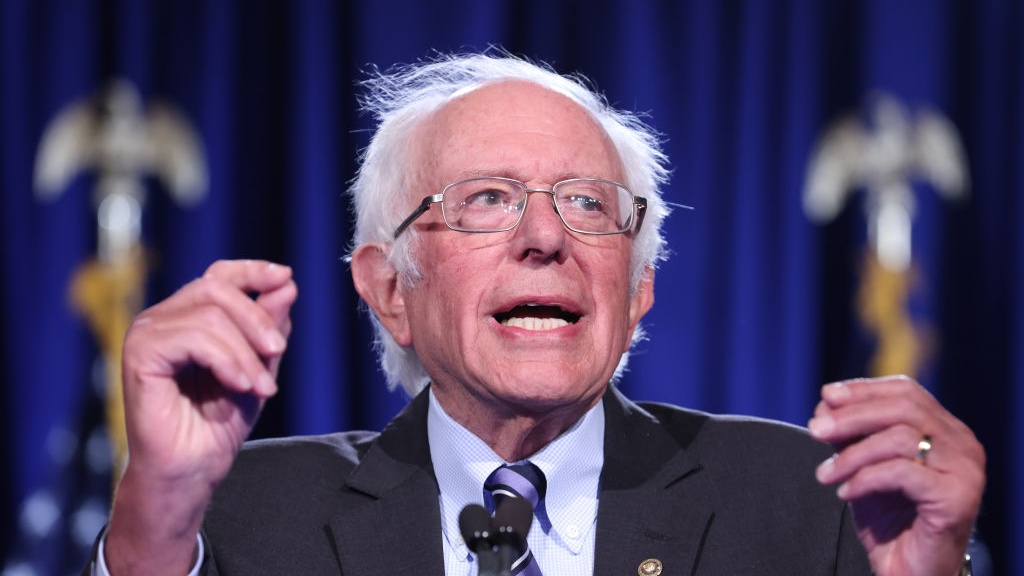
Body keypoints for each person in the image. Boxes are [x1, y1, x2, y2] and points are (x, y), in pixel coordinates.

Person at [86, 51, 985, 576]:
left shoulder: (803, 503)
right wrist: (158, 518)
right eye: (486, 198)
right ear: (390, 289)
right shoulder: (237, 521)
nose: (546, 237)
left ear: (637, 292)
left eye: (590, 204)